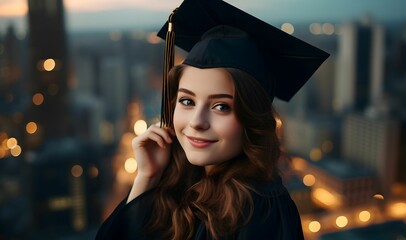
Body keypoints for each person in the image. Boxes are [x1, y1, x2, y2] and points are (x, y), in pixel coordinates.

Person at [96, 0, 329, 239]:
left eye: (221, 106)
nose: (197, 121)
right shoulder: (182, 184)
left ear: (252, 120)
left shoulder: (263, 210)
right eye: (187, 101)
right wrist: (148, 176)